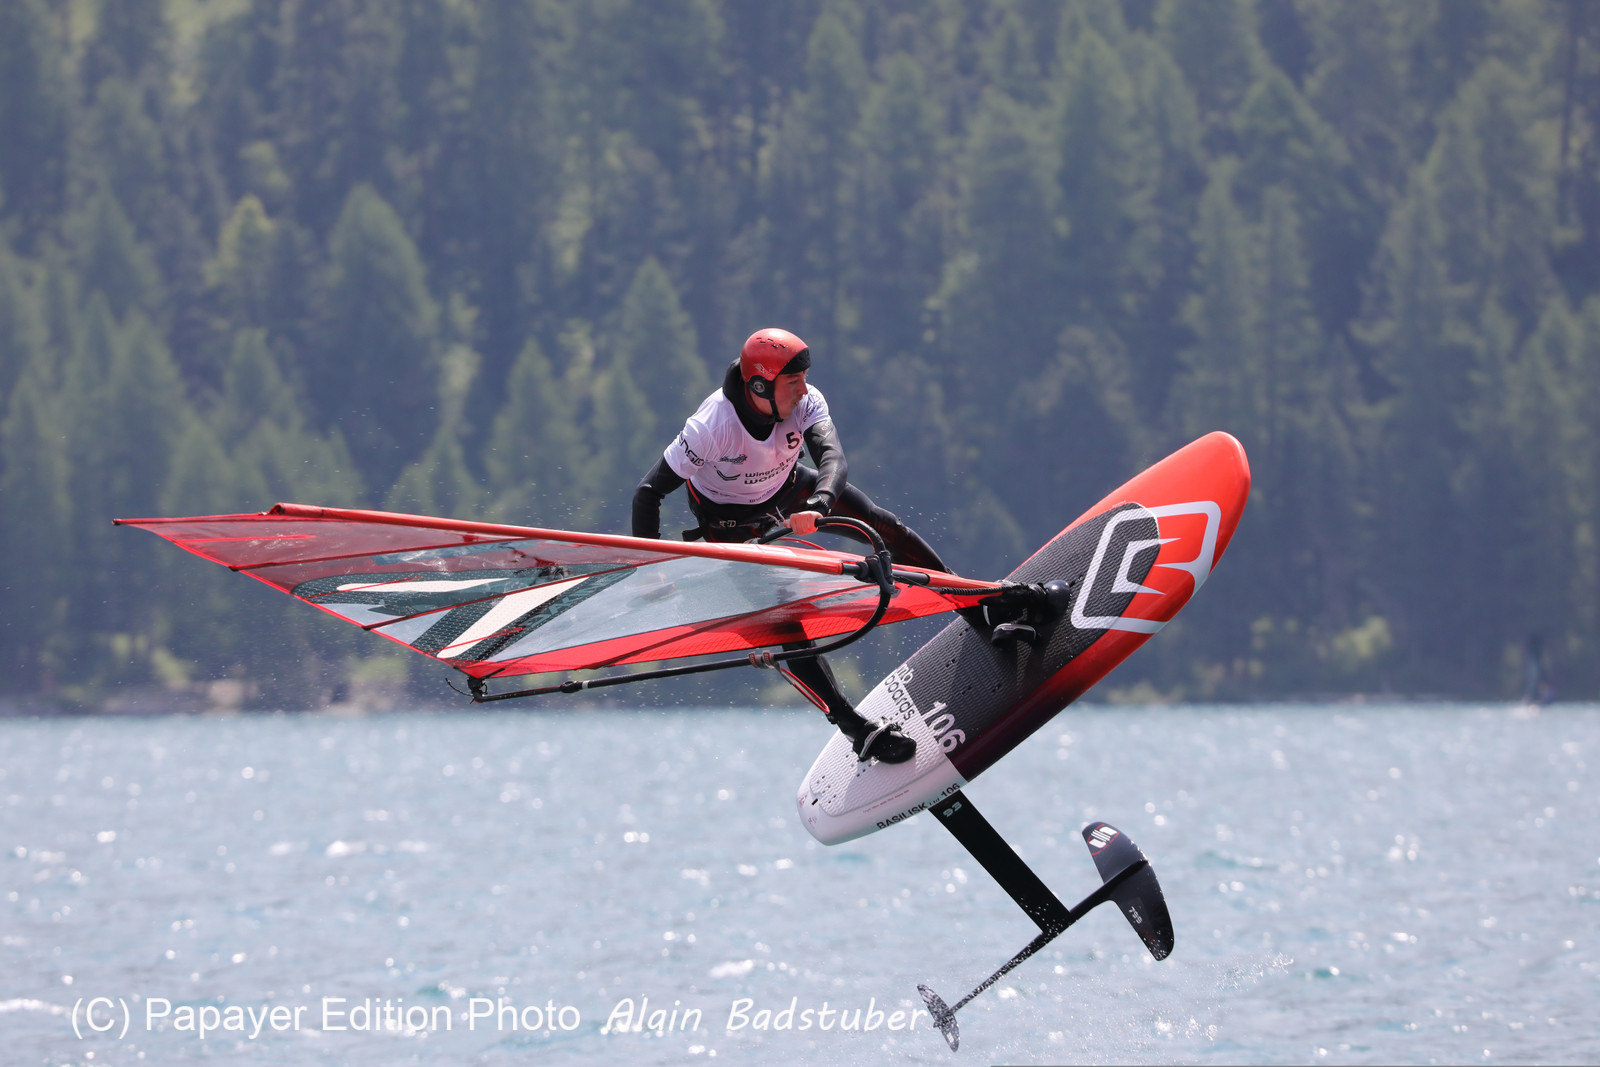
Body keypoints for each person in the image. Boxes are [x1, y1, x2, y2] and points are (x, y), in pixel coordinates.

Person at [632, 327, 947, 764]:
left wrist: (820, 503)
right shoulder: (711, 426)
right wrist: (650, 567)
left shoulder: (807, 401)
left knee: (881, 525)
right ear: (760, 386)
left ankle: (975, 602)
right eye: (793, 382)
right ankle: (857, 730)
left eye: (805, 379)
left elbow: (833, 459)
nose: (804, 390)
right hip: (730, 524)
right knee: (784, 624)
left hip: (790, 488)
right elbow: (648, 493)